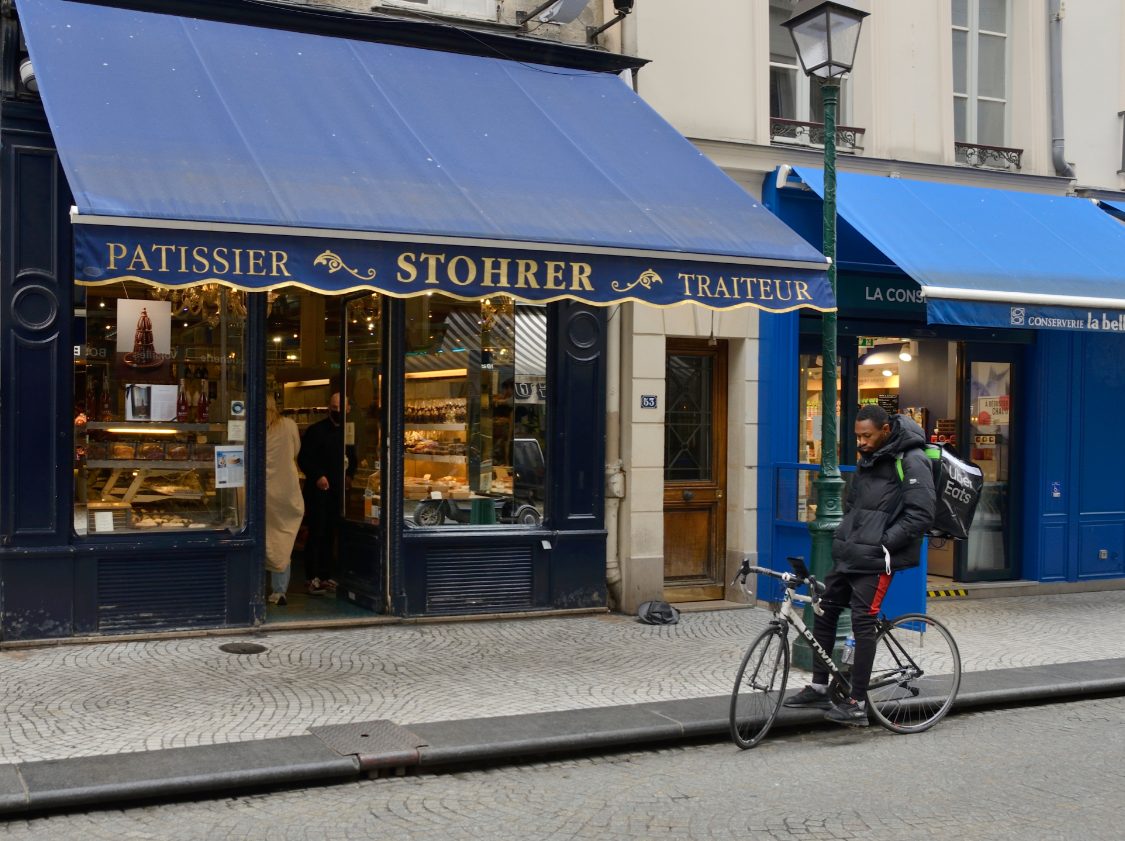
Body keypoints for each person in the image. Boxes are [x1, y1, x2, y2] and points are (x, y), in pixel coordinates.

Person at [784, 403, 936, 726]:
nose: (861, 442)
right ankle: (819, 686)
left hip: (879, 557)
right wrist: (845, 533)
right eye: (857, 436)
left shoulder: (912, 460)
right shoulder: (869, 458)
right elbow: (854, 504)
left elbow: (921, 514)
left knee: (862, 622)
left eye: (867, 436)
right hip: (852, 552)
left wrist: (883, 542)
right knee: (824, 612)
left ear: (884, 430)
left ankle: (857, 702)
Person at [297, 392, 356, 595]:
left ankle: (325, 575)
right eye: (334, 407)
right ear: (329, 408)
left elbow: (353, 458)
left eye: (341, 408)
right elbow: (304, 459)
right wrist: (318, 476)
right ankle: (311, 577)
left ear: (349, 409)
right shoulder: (316, 431)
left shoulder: (348, 432)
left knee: (331, 533)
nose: (337, 411)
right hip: (318, 492)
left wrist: (351, 475)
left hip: (338, 492)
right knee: (316, 533)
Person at [265, 394, 304, 606]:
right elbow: (296, 451)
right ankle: (279, 591)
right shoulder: (289, 425)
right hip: (286, 491)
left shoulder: (253, 425)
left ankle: (251, 586)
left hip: (261, 491)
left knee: (262, 537)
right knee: (283, 538)